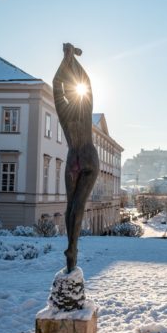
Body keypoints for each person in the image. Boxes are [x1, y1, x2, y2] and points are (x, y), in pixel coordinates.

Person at [52, 43, 99, 273]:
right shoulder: (85, 109)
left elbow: (56, 84)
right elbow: (86, 82)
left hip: (73, 158)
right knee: (78, 205)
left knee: (71, 206)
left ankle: (71, 251)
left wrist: (66, 59)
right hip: (88, 156)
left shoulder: (63, 112)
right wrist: (74, 59)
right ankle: (72, 249)